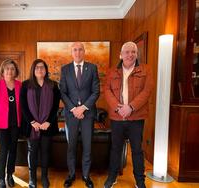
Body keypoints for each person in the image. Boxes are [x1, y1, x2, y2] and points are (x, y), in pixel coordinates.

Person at [103, 42, 153, 188]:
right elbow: (107, 90)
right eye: (127, 52)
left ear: (136, 54)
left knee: (137, 150)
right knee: (115, 148)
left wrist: (131, 107)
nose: (130, 55)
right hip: (117, 117)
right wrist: (118, 108)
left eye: (133, 52)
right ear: (121, 54)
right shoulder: (112, 71)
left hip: (136, 117)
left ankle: (140, 181)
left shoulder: (146, 69)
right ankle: (112, 178)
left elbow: (147, 90)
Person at [59, 42, 100, 188]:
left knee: (88, 146)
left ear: (84, 51)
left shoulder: (92, 68)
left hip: (87, 115)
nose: (77, 52)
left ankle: (86, 175)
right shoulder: (65, 69)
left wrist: (82, 108)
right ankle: (71, 175)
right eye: (75, 50)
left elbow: (96, 91)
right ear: (72, 52)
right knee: (71, 147)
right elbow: (62, 92)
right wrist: (74, 109)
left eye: (80, 49)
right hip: (71, 115)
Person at [20, 59, 60, 188]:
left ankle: (44, 177)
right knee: (32, 150)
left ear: (46, 70)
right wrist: (32, 122)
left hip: (47, 125)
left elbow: (55, 107)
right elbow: (23, 106)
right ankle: (32, 178)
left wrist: (48, 122)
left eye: (42, 67)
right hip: (31, 126)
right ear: (33, 69)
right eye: (37, 67)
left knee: (45, 151)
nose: (39, 70)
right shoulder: (25, 85)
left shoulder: (53, 85)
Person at [0, 59, 22, 188]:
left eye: (12, 69)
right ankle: (0, 177)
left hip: (15, 124)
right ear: (2, 70)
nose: (9, 71)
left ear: (15, 71)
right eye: (7, 68)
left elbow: (23, 106)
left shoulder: (20, 85)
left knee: (13, 150)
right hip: (0, 125)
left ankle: (10, 174)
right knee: (3, 150)